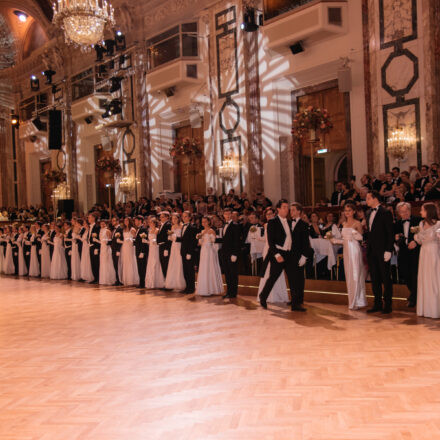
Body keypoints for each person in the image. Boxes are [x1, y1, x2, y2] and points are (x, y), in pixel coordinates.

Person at [259, 200, 311, 311]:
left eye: (287, 207)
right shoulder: (272, 222)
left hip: (289, 254)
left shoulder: (288, 222)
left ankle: (296, 304)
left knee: (293, 279)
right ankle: (263, 296)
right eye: (284, 207)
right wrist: (277, 255)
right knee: (273, 277)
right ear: (278, 209)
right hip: (278, 254)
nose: (286, 209)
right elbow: (271, 242)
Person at [331, 203, 367, 309]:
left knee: (355, 274)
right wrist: (335, 240)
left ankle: (356, 301)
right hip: (347, 250)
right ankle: (352, 300)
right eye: (346, 210)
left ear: (354, 211)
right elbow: (344, 241)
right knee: (349, 275)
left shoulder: (357, 223)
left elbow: (361, 238)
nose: (347, 212)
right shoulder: (344, 223)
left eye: (349, 210)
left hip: (355, 250)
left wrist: (354, 235)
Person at [365, 190, 394, 314]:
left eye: (368, 198)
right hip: (371, 250)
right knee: (375, 278)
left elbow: (390, 233)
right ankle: (377, 303)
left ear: (375, 198)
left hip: (383, 250)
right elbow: (371, 232)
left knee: (385, 277)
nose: (366, 201)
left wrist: (388, 250)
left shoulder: (385, 212)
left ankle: (387, 304)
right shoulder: (367, 213)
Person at [414, 203, 440, 318]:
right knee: (424, 278)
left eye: (422, 210)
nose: (420, 212)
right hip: (423, 252)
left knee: (433, 279)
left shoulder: (438, 224)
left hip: (434, 252)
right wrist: (416, 236)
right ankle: (425, 309)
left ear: (428, 211)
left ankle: (435, 309)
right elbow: (420, 241)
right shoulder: (421, 223)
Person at [257, 207, 288, 304]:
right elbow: (266, 239)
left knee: (276, 272)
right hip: (268, 249)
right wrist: (256, 236)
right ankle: (267, 296)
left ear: (274, 214)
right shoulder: (266, 225)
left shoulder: (277, 224)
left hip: (275, 248)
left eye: (271, 214)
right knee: (268, 272)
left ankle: (278, 295)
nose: (269, 216)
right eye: (267, 214)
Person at [394, 202, 421, 308]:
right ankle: (414, 294)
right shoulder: (397, 223)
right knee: (405, 275)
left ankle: (413, 297)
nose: (404, 214)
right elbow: (395, 236)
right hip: (403, 253)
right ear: (399, 213)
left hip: (415, 253)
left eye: (406, 211)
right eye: (402, 212)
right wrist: (395, 238)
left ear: (410, 210)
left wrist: (416, 242)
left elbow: (422, 235)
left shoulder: (418, 221)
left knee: (414, 275)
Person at [216, 208, 241, 299]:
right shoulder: (223, 225)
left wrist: (235, 254)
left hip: (232, 254)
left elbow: (237, 241)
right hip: (224, 253)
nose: (227, 215)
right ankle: (229, 292)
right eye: (225, 214)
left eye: (229, 214)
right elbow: (224, 240)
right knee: (227, 273)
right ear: (223, 215)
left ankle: (233, 293)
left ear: (231, 215)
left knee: (233, 273)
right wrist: (214, 240)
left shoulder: (235, 225)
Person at [196, 216, 223, 296]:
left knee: (210, 268)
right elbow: (200, 243)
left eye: (205, 221)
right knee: (204, 268)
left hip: (210, 251)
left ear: (208, 222)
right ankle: (204, 288)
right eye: (202, 221)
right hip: (203, 251)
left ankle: (212, 288)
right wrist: (199, 239)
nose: (203, 223)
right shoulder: (202, 231)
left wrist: (211, 241)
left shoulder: (211, 231)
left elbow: (215, 242)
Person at [165, 213, 186, 291]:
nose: (174, 220)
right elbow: (171, 237)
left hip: (179, 245)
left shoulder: (182, 225)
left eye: (175, 219)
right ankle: (173, 283)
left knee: (179, 262)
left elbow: (183, 237)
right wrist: (170, 237)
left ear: (178, 218)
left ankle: (180, 283)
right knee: (173, 262)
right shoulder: (172, 226)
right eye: (172, 219)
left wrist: (176, 237)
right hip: (173, 246)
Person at [145, 217, 165, 289]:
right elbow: (149, 241)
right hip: (151, 248)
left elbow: (157, 240)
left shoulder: (157, 230)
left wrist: (153, 241)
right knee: (150, 263)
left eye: (150, 222)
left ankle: (156, 282)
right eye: (149, 222)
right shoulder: (149, 230)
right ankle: (150, 282)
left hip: (155, 248)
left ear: (154, 223)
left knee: (155, 262)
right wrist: (146, 241)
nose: (149, 224)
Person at [120, 217, 139, 287]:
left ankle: (132, 279)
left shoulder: (132, 229)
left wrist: (130, 239)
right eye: (124, 220)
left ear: (129, 221)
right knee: (125, 261)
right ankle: (126, 279)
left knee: (131, 261)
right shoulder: (124, 229)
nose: (125, 221)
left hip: (130, 246)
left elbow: (135, 238)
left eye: (127, 220)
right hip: (125, 246)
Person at [98, 220, 116, 285]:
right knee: (102, 262)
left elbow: (110, 240)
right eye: (101, 224)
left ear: (106, 224)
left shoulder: (107, 231)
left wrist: (106, 241)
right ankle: (103, 279)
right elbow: (100, 240)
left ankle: (109, 279)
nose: (102, 225)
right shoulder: (100, 231)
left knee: (107, 262)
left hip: (106, 247)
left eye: (103, 224)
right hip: (102, 247)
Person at [134, 216, 149, 289]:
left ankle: (143, 283)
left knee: (142, 267)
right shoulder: (138, 229)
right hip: (138, 250)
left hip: (141, 251)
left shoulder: (143, 229)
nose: (135, 222)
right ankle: (141, 282)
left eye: (136, 221)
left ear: (140, 221)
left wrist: (142, 252)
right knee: (139, 267)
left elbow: (144, 241)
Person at [157, 211, 171, 279]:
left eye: (162, 217)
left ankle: (167, 281)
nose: (160, 218)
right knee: (163, 264)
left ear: (167, 217)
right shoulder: (162, 225)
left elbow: (168, 238)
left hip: (165, 246)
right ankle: (165, 281)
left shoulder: (168, 224)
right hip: (161, 246)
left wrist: (166, 249)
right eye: (160, 217)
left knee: (166, 264)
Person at [87, 213, 101, 284]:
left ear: (93, 218)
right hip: (91, 246)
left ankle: (97, 278)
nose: (88, 219)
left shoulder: (97, 227)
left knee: (96, 263)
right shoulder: (90, 227)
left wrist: (97, 248)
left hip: (95, 247)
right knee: (92, 263)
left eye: (89, 217)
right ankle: (95, 278)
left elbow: (98, 237)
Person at [110, 217, 123, 286]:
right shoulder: (114, 230)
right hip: (113, 249)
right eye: (112, 221)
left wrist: (118, 250)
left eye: (114, 221)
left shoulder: (120, 229)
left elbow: (121, 239)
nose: (112, 222)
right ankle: (117, 279)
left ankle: (119, 280)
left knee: (117, 264)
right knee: (115, 264)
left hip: (117, 249)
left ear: (118, 221)